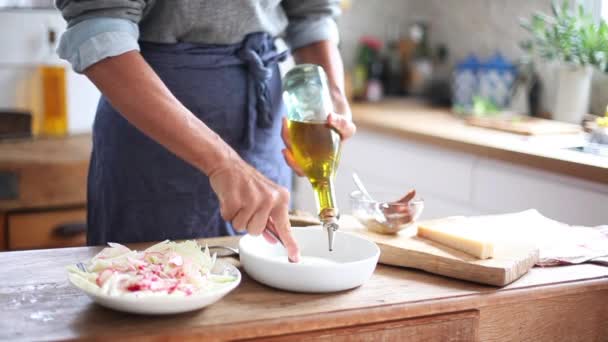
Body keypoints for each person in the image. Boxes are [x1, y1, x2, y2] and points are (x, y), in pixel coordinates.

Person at [55, 0, 356, 262]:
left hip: (262, 135)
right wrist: (223, 163)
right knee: (146, 288)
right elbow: (98, 27)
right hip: (151, 142)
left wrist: (333, 99)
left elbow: (312, 14)